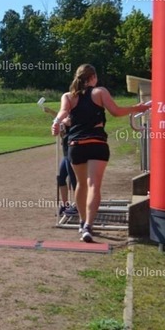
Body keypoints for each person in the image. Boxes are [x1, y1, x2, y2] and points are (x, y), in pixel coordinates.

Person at [51, 64, 150, 243]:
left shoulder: (68, 96)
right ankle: (88, 225)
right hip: (97, 143)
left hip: (76, 145)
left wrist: (56, 122)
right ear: (93, 77)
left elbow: (63, 112)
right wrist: (137, 108)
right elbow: (116, 112)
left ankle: (82, 222)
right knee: (94, 185)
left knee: (81, 184)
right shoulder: (100, 92)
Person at [43, 106, 77, 216]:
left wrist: (53, 114)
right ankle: (65, 204)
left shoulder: (75, 117)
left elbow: (67, 121)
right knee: (60, 178)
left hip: (72, 152)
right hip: (66, 153)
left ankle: (78, 206)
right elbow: (61, 120)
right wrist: (51, 112)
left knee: (74, 181)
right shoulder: (64, 117)